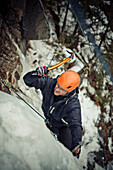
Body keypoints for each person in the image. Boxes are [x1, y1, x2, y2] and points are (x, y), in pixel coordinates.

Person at [23, 66, 83, 158]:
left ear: (69, 91)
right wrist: (36, 74)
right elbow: (27, 81)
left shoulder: (73, 104)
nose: (57, 89)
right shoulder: (50, 84)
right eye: (58, 84)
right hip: (48, 119)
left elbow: (76, 125)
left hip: (62, 127)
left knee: (69, 153)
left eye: (62, 89)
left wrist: (76, 145)